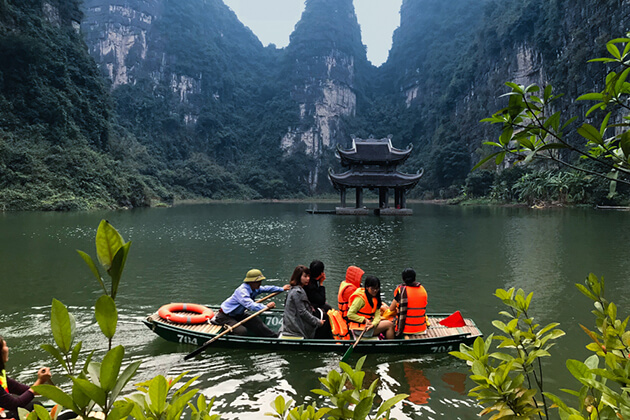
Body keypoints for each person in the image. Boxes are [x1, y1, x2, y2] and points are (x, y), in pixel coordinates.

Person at [211, 269, 290, 337]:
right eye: (258, 281)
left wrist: (282, 289)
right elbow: (250, 305)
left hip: (238, 314)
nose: (260, 283)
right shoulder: (242, 291)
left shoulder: (254, 288)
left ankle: (273, 337)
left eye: (260, 281)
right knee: (241, 331)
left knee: (256, 321)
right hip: (225, 316)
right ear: (251, 282)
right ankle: (220, 324)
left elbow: (267, 288)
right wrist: (265, 307)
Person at [0, 335, 51, 419]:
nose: (7, 348)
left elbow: (20, 389)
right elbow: (15, 404)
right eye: (4, 346)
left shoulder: (1, 375)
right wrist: (40, 381)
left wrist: (49, 391)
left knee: (35, 406)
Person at [280, 265, 325, 338]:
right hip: (296, 327)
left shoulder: (294, 289)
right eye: (305, 276)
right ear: (298, 277)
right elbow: (303, 312)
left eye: (308, 276)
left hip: (293, 323)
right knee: (324, 323)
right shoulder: (298, 292)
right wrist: (318, 322)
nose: (308, 279)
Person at [389, 268, 428, 337]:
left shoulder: (401, 290)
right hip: (421, 329)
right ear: (415, 278)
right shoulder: (423, 289)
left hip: (405, 330)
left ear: (403, 279)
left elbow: (391, 308)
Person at [304, 260, 333, 339]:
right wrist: (321, 284)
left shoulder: (310, 280)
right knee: (326, 315)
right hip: (309, 308)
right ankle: (322, 337)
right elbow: (321, 300)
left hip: (311, 304)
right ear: (321, 273)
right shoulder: (310, 285)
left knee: (328, 307)